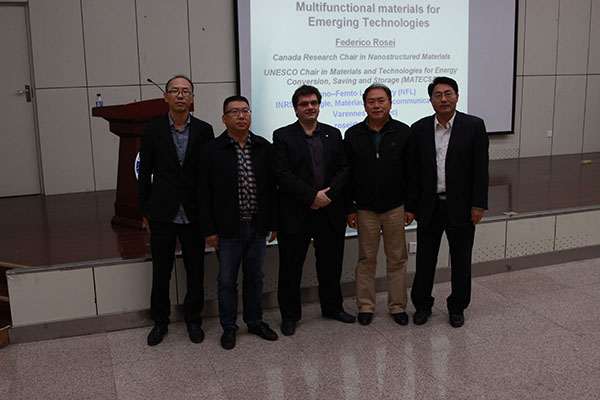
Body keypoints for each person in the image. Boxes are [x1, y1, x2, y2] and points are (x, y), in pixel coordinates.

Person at [138, 75, 214, 346]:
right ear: (166, 97)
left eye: (185, 91)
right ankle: (160, 321)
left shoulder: (204, 130)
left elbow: (208, 175)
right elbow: (144, 172)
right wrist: (145, 210)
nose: (180, 95)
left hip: (194, 212)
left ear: (192, 98)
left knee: (195, 270)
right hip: (162, 212)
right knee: (161, 271)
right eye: (175, 91)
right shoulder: (152, 130)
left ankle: (194, 319)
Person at [199, 95, 279, 350]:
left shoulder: (264, 147)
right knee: (226, 280)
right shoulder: (211, 150)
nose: (241, 116)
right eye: (234, 112)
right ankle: (229, 327)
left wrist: (272, 222)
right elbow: (203, 194)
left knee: (255, 277)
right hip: (227, 229)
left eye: (245, 110)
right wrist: (209, 230)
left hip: (257, 226)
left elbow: (272, 189)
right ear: (224, 119)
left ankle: (255, 321)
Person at [273, 85, 354, 336]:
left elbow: (344, 169)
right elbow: (282, 174)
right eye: (304, 104)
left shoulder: (333, 133)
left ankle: (332, 308)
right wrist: (311, 196)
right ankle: (290, 316)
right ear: (295, 108)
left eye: (313, 103)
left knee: (331, 265)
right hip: (297, 212)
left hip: (329, 210)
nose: (310, 107)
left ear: (319, 106)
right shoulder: (283, 136)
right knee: (290, 268)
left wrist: (326, 197)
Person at [410, 76, 489, 328]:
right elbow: (413, 172)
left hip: (462, 207)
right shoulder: (419, 128)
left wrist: (478, 204)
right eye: (437, 95)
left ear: (456, 96)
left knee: (461, 260)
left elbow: (481, 168)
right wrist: (411, 207)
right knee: (425, 260)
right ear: (430, 99)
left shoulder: (473, 126)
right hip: (429, 206)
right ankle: (422, 305)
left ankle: (457, 307)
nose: (443, 99)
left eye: (448, 94)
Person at [344, 83, 417, 326]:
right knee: (366, 259)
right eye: (371, 101)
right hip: (365, 209)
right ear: (364, 105)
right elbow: (347, 175)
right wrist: (350, 208)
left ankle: (397, 306)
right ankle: (365, 306)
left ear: (390, 103)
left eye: (381, 100)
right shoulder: (353, 135)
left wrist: (411, 206)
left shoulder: (404, 132)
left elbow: (412, 173)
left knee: (397, 258)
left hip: (396, 207)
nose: (376, 105)